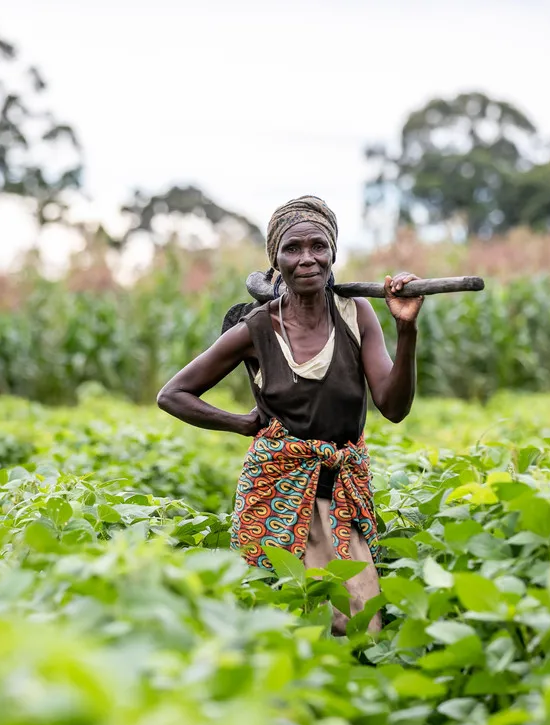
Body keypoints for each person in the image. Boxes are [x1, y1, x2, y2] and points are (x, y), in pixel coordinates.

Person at [156, 195, 424, 635]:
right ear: (276, 260)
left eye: (318, 247)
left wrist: (407, 328)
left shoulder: (356, 315)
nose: (307, 260)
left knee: (359, 623)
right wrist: (241, 424)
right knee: (281, 620)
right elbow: (174, 394)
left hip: (340, 494)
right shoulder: (257, 328)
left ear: (333, 253)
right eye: (292, 249)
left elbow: (393, 408)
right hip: (275, 496)